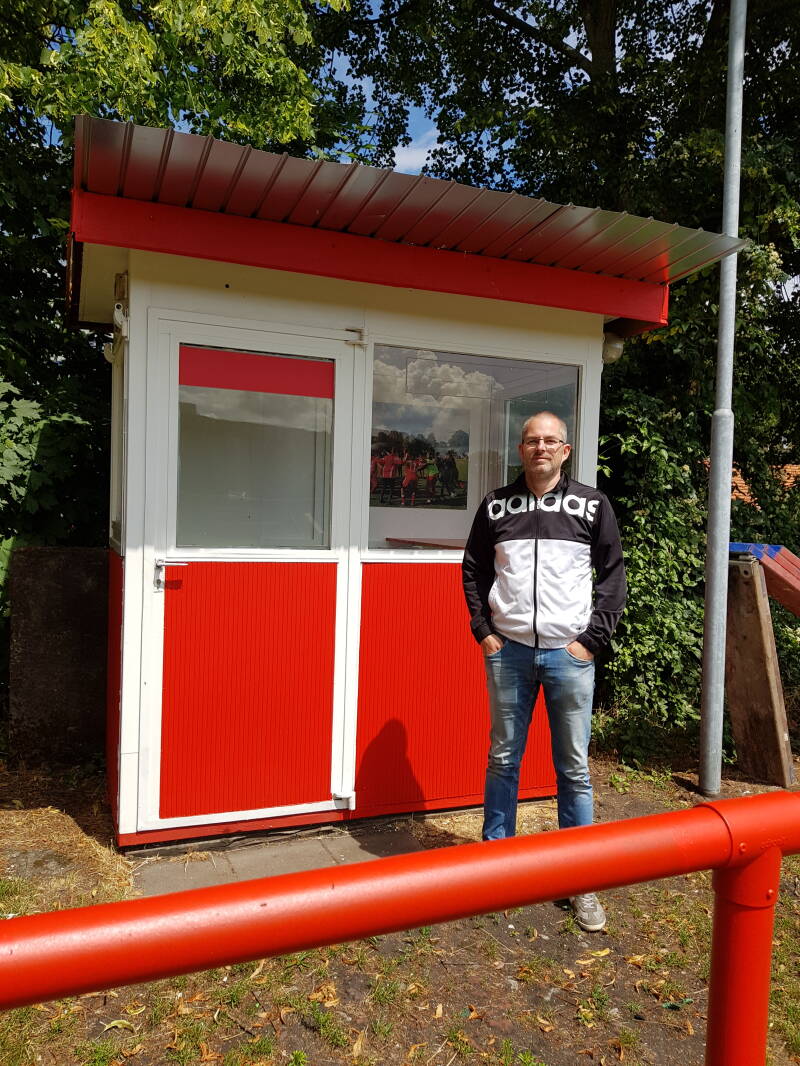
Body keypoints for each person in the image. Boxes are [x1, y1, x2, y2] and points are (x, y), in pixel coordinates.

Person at [461, 411, 626, 932]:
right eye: (532, 440)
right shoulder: (496, 505)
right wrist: (484, 630)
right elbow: (473, 568)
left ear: (565, 450)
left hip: (568, 655)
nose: (541, 448)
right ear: (521, 449)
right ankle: (497, 869)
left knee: (573, 768)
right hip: (508, 651)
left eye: (551, 441)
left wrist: (590, 642)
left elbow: (613, 575)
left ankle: (580, 881)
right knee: (503, 758)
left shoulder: (591, 505)